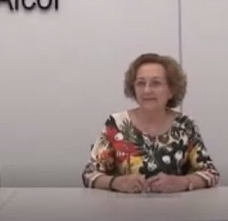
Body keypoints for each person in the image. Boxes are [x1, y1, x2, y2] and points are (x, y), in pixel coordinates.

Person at [81, 53, 220, 193]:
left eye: (156, 83)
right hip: (124, 205)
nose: (147, 90)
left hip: (176, 205)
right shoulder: (116, 124)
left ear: (171, 90)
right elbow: (89, 174)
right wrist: (116, 182)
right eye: (141, 83)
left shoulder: (184, 125)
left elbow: (210, 173)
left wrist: (183, 182)